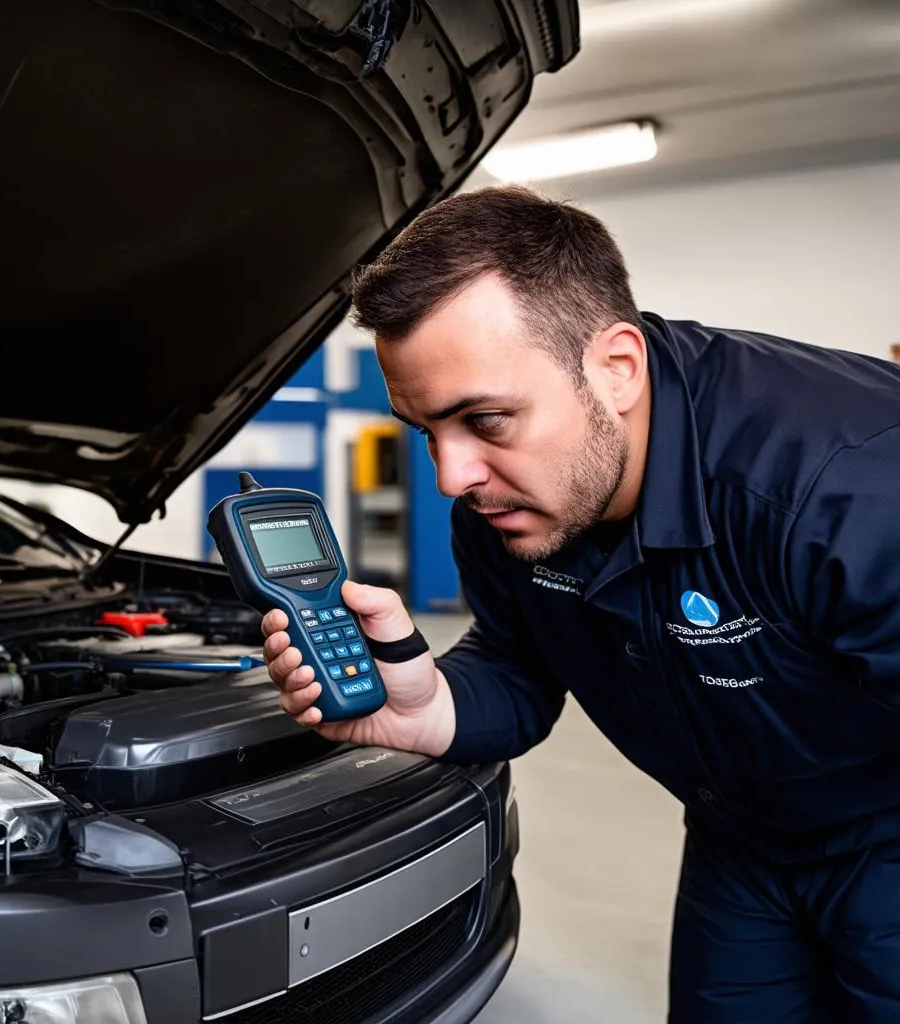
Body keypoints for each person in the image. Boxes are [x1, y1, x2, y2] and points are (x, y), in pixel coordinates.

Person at [260, 184, 900, 1023]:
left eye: (485, 420)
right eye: (426, 432)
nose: (453, 478)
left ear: (617, 368)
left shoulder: (845, 485)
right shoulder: (502, 509)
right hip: (739, 840)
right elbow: (520, 665)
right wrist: (429, 703)